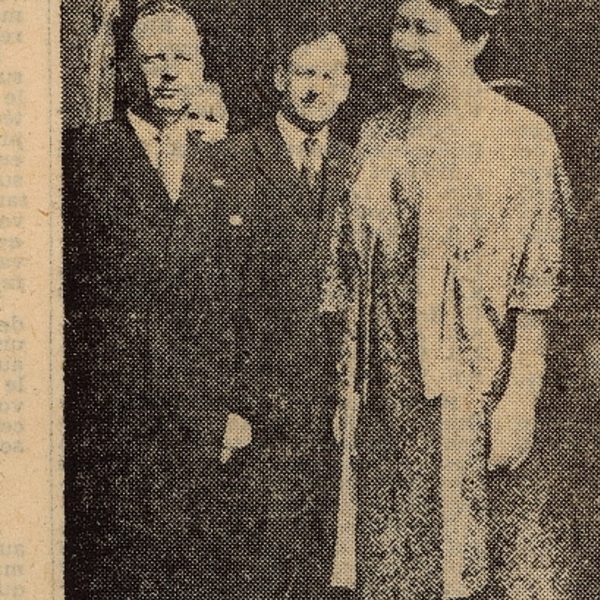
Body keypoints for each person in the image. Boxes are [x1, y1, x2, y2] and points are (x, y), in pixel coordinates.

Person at [340, 1, 572, 598]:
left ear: (474, 40)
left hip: (478, 383)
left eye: (425, 29)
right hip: (387, 390)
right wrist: (346, 387)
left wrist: (520, 394)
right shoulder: (378, 134)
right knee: (393, 564)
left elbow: (535, 285)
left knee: (473, 559)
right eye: (399, 26)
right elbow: (346, 267)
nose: (405, 43)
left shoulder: (521, 136)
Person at [63, 2, 241, 596]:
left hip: (202, 413)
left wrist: (238, 406)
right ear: (126, 71)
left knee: (192, 564)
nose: (168, 72)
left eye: (182, 58)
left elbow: (245, 295)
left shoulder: (228, 163)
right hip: (111, 410)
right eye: (153, 59)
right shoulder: (84, 156)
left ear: (201, 68)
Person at [194, 27, 356, 600]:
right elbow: (207, 297)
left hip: (330, 405)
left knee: (317, 561)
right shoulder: (228, 160)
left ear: (345, 87)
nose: (315, 88)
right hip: (254, 403)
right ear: (280, 80)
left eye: (328, 76)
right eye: (304, 74)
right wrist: (223, 404)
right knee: (251, 563)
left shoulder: (358, 169)